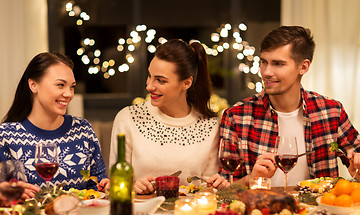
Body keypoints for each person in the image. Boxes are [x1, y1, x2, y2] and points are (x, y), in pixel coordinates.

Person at [220, 26, 360, 187]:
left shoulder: (331, 111)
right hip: (259, 210)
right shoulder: (236, 116)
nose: (266, 72)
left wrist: (357, 169)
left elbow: (356, 156)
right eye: (263, 62)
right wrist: (251, 178)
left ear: (303, 67)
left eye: (278, 64)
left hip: (319, 211)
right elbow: (224, 190)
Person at [109, 39, 229, 194]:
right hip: (140, 214)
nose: (149, 86)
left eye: (160, 80)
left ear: (186, 83)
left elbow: (208, 191)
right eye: (149, 76)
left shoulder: (210, 126)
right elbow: (115, 184)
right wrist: (133, 187)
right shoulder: (127, 118)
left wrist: (218, 186)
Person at [0, 52, 109, 192]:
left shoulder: (83, 130)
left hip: (78, 213)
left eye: (72, 87)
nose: (69, 94)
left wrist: (105, 186)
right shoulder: (6, 135)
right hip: (28, 214)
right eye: (60, 85)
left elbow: (97, 184)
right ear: (33, 85)